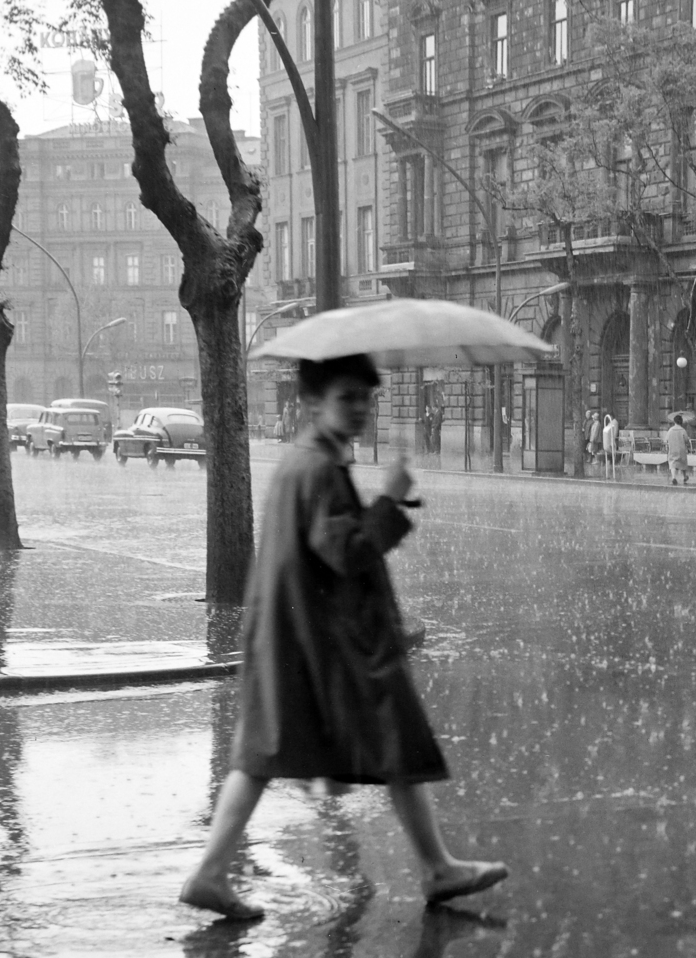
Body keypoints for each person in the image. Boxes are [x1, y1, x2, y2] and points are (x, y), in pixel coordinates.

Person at [180, 353, 507, 921]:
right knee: (393, 740)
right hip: (330, 644)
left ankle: (211, 872)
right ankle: (434, 867)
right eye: (346, 398)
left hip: (293, 639)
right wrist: (393, 500)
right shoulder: (319, 470)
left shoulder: (305, 461)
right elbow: (345, 553)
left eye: (366, 398)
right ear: (313, 402)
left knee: (262, 755)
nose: (359, 409)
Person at [664, 411, 690, 485]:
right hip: (681, 449)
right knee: (683, 463)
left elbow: (666, 440)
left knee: (673, 463)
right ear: (681, 422)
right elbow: (687, 441)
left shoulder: (670, 430)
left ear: (674, 421)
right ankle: (685, 476)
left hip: (672, 449)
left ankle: (674, 477)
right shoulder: (683, 430)